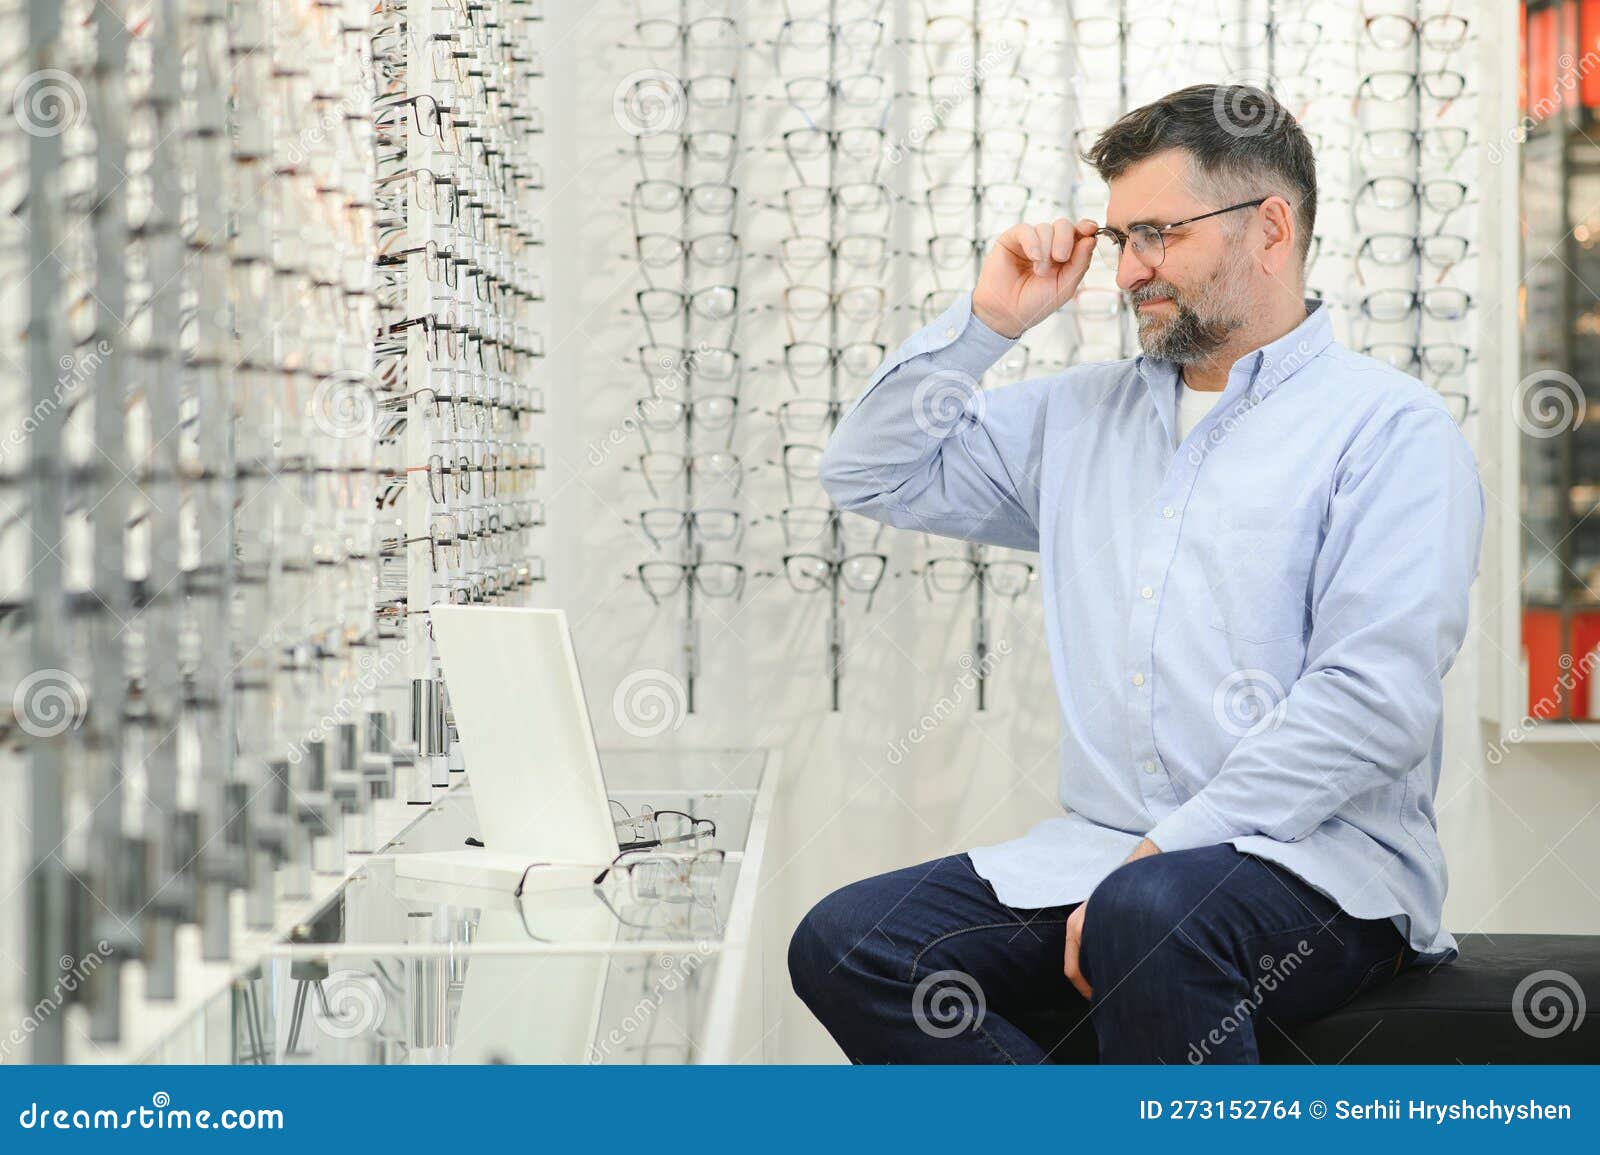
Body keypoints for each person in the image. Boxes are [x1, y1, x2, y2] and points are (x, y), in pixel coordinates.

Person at [787, 84, 1486, 1064]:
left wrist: (1166, 851)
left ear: (1270, 229)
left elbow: (1374, 700)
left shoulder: (1389, 431)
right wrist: (989, 321)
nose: (1126, 273)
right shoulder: (1075, 419)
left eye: (1155, 234)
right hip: (1113, 857)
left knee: (1148, 914)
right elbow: (870, 469)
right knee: (847, 942)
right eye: (1118, 239)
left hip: (1318, 868)